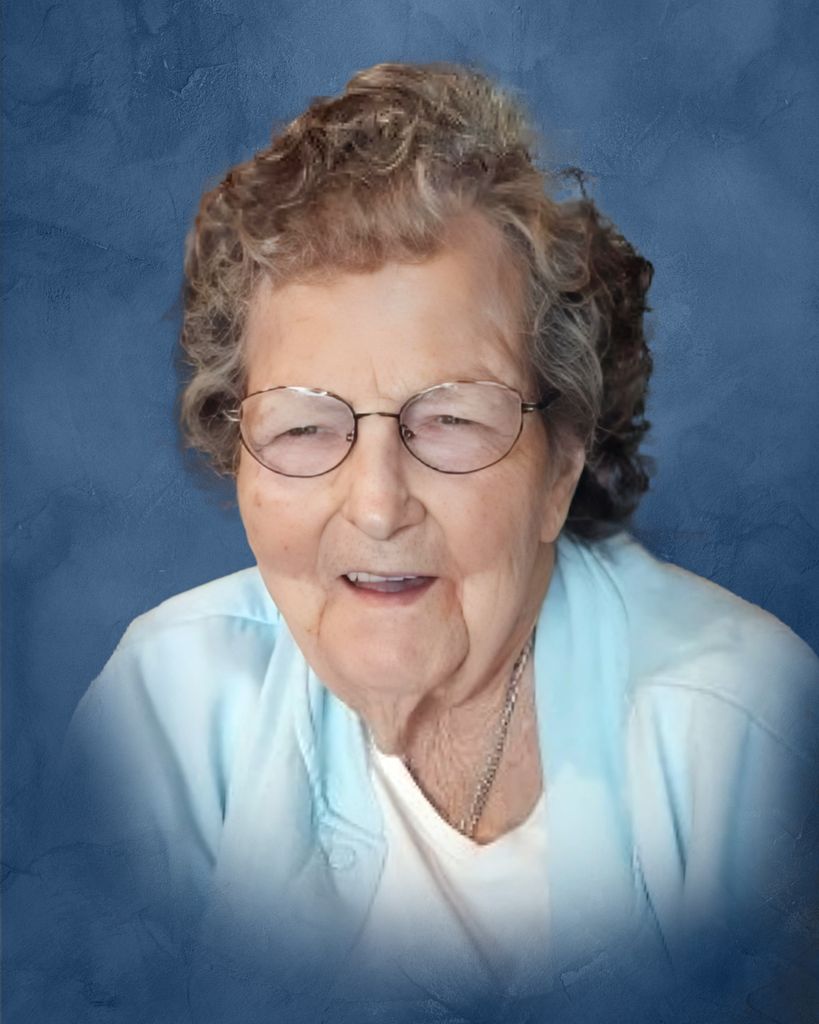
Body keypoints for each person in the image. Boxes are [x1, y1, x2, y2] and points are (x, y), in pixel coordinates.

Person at [52, 62, 817, 1023]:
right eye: (304, 426)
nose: (377, 506)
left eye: (450, 419)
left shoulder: (746, 738)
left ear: (560, 464)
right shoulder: (162, 715)